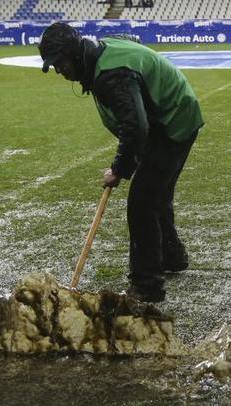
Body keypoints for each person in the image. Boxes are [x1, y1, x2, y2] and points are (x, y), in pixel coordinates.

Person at [38, 23, 204, 303]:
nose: (58, 71)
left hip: (171, 120)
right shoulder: (101, 56)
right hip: (172, 114)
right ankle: (171, 256)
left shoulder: (111, 76)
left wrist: (119, 169)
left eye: (59, 63)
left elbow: (135, 127)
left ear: (73, 54)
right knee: (156, 193)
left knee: (141, 202)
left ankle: (146, 285)